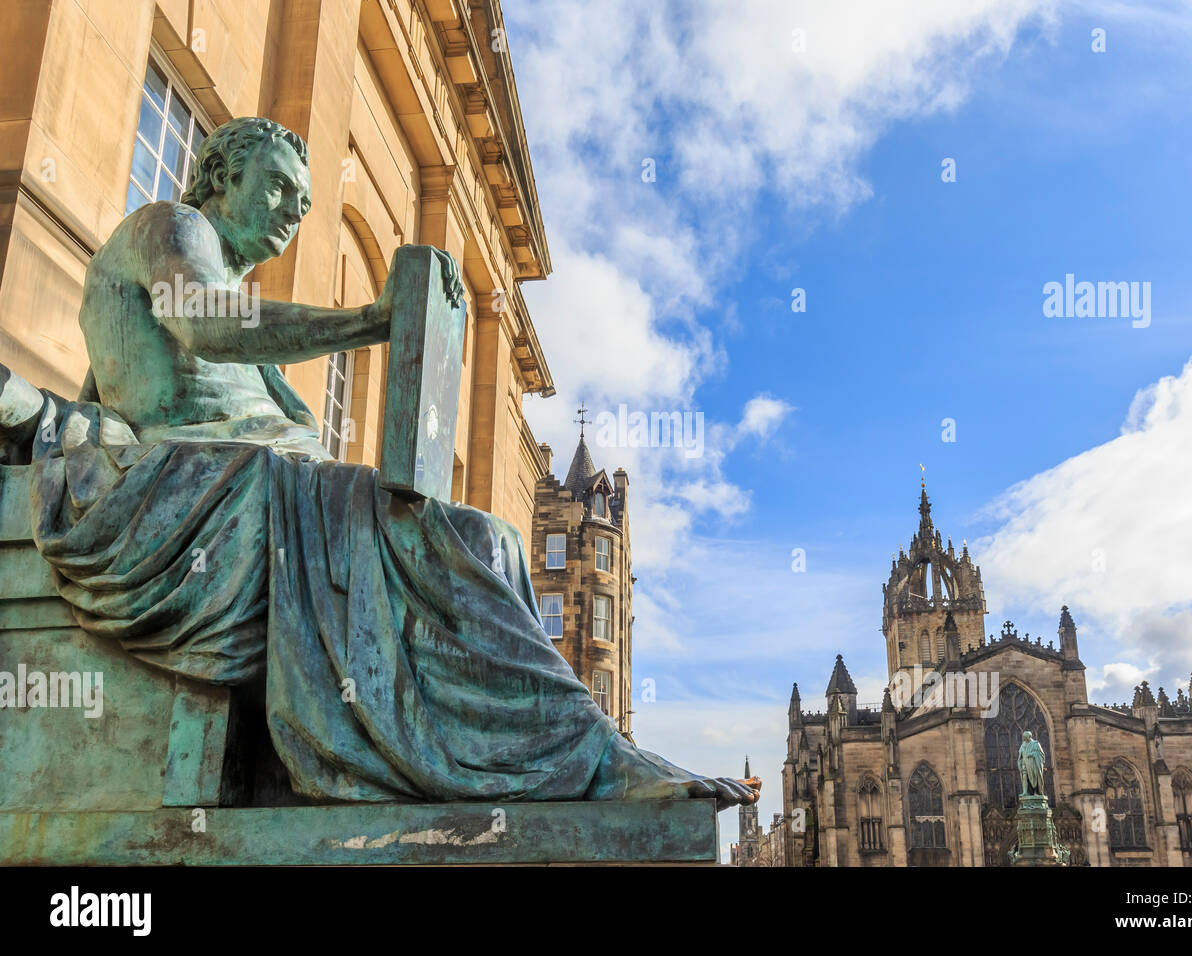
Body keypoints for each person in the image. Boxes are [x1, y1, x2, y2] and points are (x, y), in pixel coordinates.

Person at [0, 116, 757, 808]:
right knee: (417, 534)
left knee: (491, 540)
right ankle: (581, 763)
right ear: (220, 175)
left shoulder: (232, 279)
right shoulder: (169, 226)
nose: (297, 210)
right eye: (277, 186)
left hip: (254, 485)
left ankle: (573, 753)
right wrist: (374, 320)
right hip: (207, 488)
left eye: (304, 197)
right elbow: (206, 331)